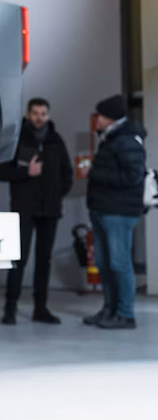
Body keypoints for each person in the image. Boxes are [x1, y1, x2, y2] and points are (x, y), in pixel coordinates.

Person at [0, 97, 73, 325]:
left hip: (50, 211)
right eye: (35, 113)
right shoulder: (17, 140)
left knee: (44, 261)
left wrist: (58, 193)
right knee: (18, 259)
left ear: (48, 116)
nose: (39, 118)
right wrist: (26, 172)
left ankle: (41, 308)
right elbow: (0, 171)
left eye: (43, 114)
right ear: (28, 115)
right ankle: (10, 308)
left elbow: (67, 172)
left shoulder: (56, 140)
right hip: (24, 210)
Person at [84, 94, 146, 330]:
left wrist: (96, 174)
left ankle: (125, 314)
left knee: (120, 263)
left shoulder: (128, 140)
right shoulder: (111, 138)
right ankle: (109, 309)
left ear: (108, 118)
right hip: (102, 209)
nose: (96, 119)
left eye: (99, 115)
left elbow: (133, 176)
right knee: (105, 263)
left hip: (118, 213)